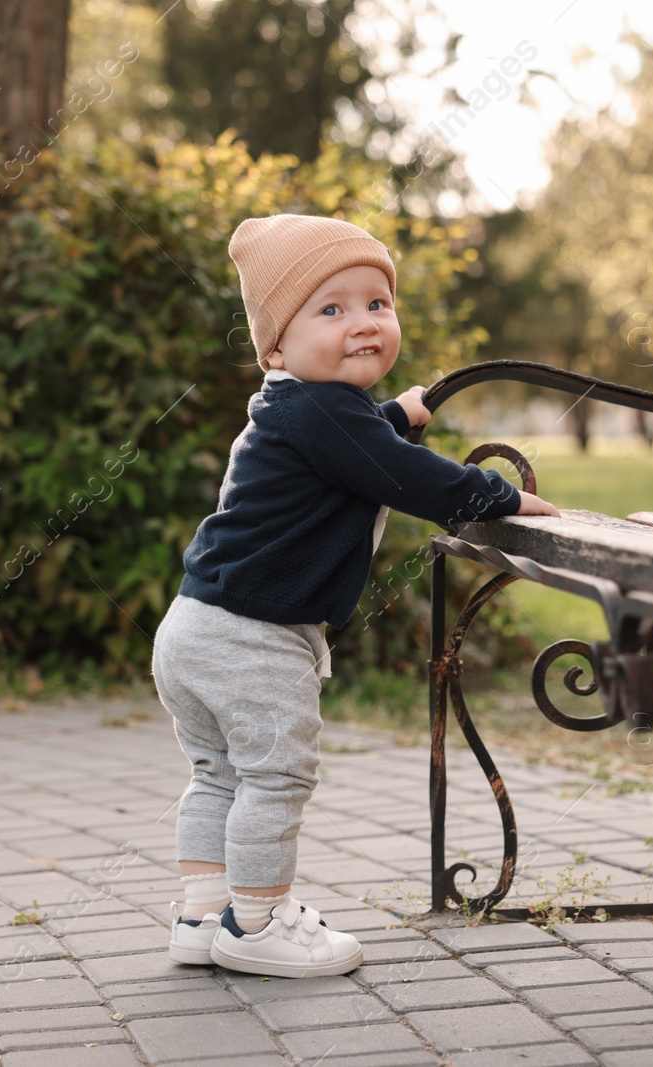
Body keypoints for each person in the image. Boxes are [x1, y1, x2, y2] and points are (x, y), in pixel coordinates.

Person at [150, 214, 560, 979]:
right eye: (331, 309)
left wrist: (397, 415)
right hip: (254, 640)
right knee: (275, 778)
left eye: (377, 303)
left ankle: (204, 913)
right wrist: (496, 497)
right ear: (275, 345)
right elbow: (410, 477)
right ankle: (258, 923)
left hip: (193, 626)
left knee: (221, 776)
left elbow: (358, 445)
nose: (364, 323)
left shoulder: (293, 408)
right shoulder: (323, 413)